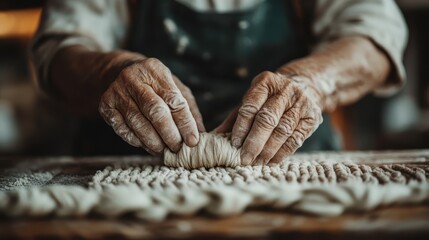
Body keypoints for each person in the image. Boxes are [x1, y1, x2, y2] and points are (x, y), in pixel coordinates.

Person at [32, 0, 407, 165]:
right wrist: (108, 72)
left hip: (293, 172)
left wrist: (312, 81)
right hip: (127, 181)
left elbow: (375, 36)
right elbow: (59, 51)